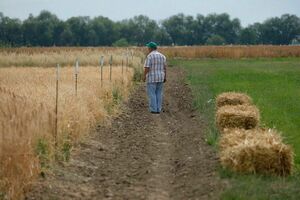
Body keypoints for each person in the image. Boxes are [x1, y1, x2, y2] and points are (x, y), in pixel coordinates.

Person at [143, 42, 167, 114]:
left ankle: (153, 109)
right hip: (160, 77)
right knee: (159, 93)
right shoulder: (163, 56)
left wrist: (144, 76)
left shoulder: (149, 56)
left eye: (148, 47)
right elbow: (165, 68)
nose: (148, 49)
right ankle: (158, 109)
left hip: (152, 77)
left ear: (150, 48)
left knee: (152, 93)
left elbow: (147, 67)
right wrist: (165, 77)